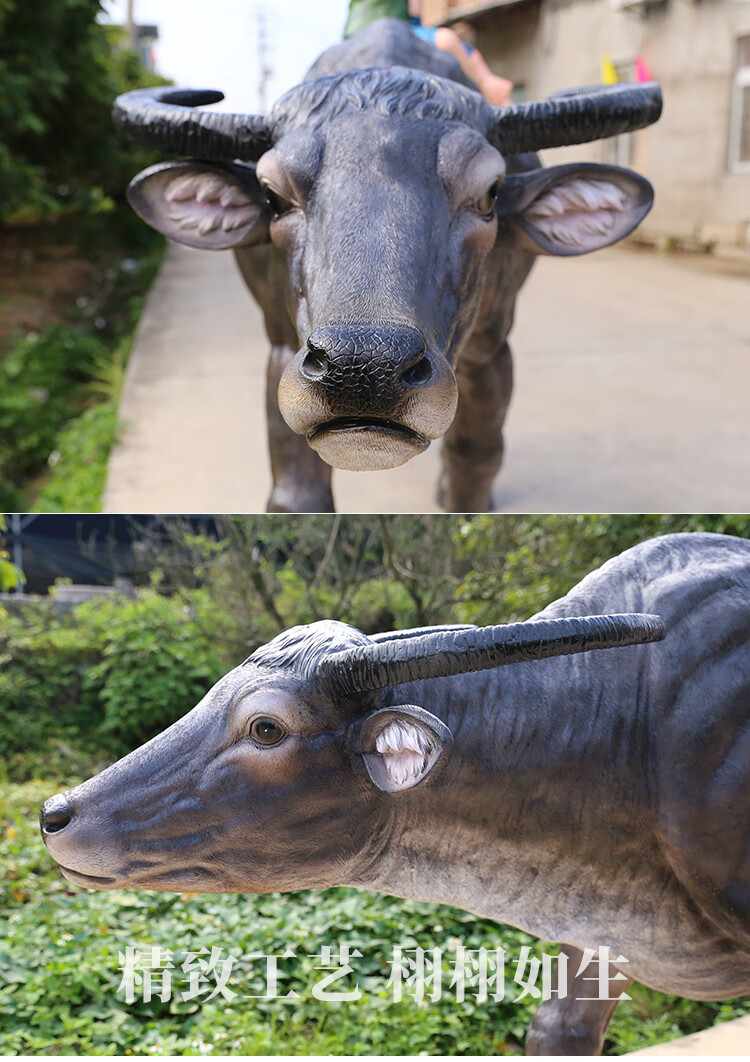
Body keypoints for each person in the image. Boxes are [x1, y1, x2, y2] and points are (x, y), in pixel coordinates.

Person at [343, 0, 514, 107]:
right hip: (395, 29)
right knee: (447, 39)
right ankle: (485, 84)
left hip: (371, 31)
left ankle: (492, 87)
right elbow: (415, 13)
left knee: (468, 50)